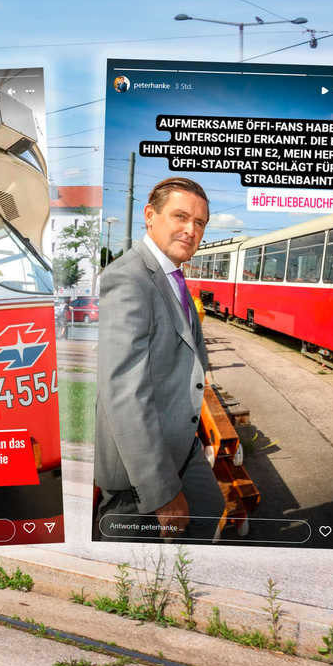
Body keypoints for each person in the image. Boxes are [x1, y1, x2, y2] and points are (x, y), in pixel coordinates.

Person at [94, 177, 226, 540]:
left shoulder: (173, 276)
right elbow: (124, 393)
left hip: (181, 444)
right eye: (180, 216)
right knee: (131, 560)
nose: (191, 229)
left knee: (209, 509)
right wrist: (161, 492)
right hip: (138, 462)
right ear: (150, 216)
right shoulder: (127, 279)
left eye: (200, 222)